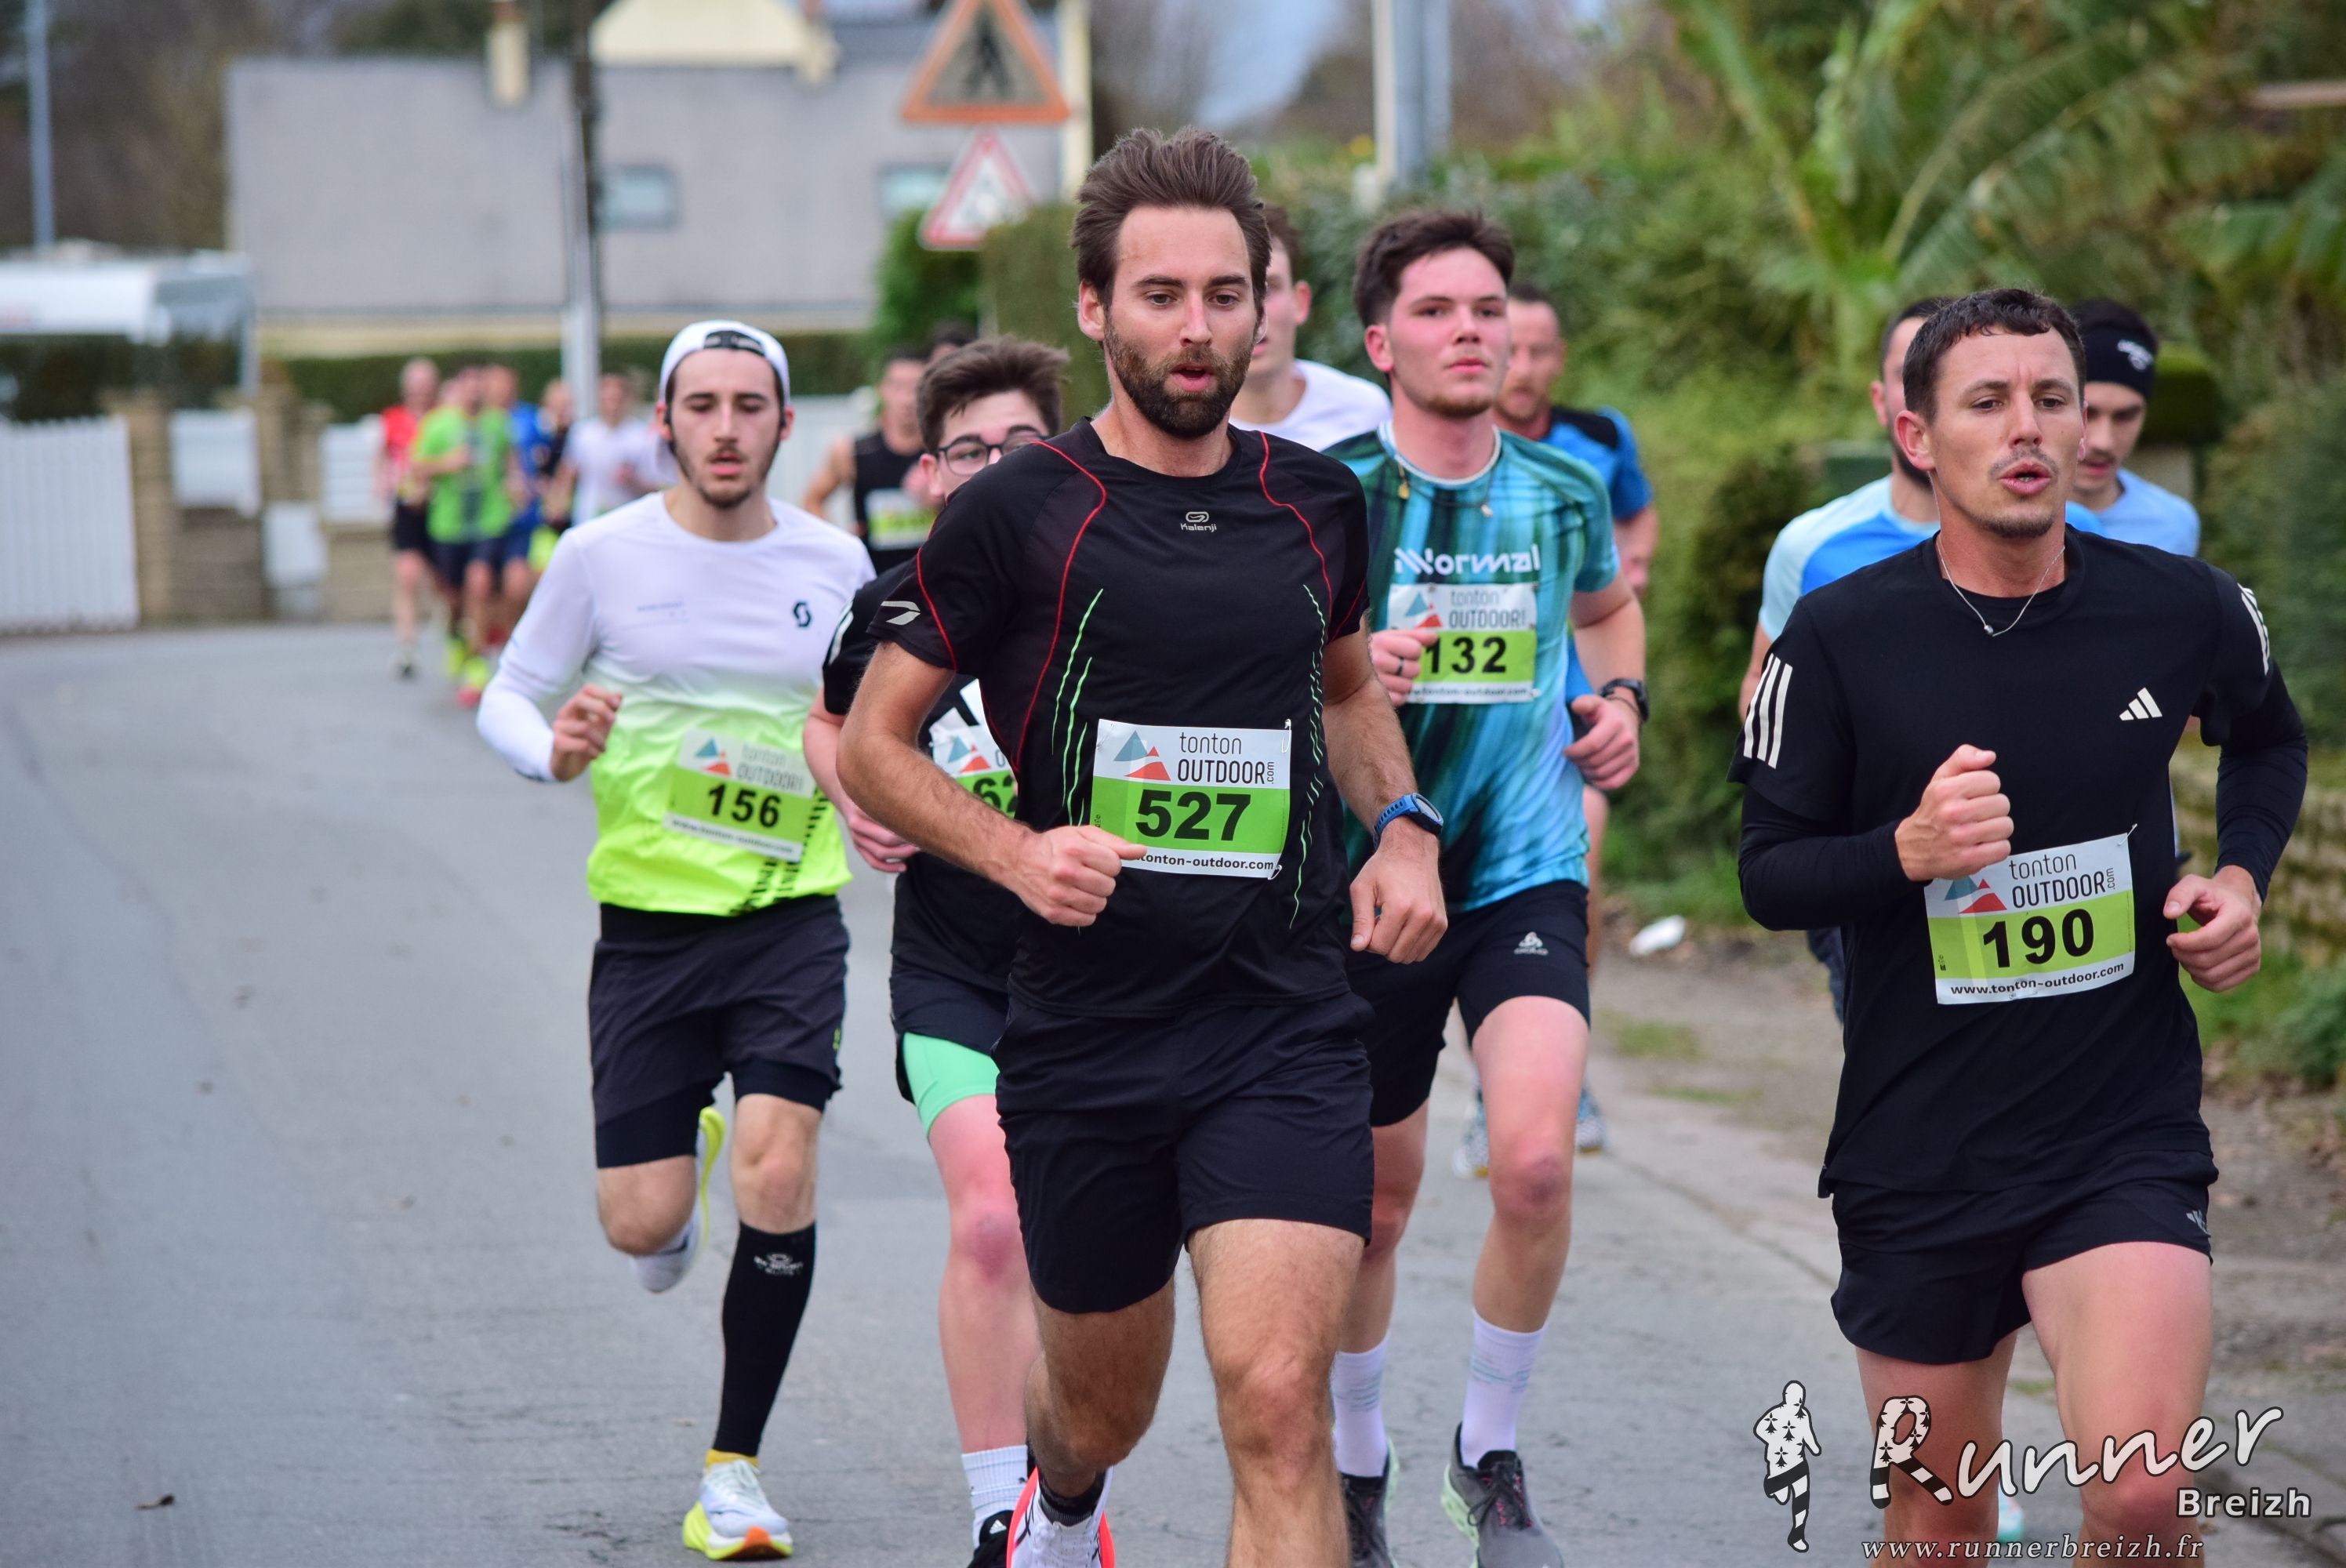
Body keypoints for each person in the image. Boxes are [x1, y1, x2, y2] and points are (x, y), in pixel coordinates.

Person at [837, 128, 1447, 1568]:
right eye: (1161, 295)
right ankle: (1056, 1503)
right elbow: (872, 743)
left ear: (1264, 306)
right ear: (1095, 307)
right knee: (1099, 1411)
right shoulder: (1017, 512)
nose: (1196, 328)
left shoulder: (1317, 500)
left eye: (1226, 295)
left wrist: (1404, 826)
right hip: (1087, 1032)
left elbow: (1345, 688)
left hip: (1280, 1020)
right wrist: (1013, 855)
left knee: (1279, 1406)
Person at [1731, 288, 2304, 1555]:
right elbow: (1767, 874)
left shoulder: (2182, 605)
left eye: (2051, 397)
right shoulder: (1837, 637)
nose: (2029, 427)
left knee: (2143, 1496)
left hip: (2119, 1129)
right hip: (1918, 1143)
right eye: (1986, 402)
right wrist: (1906, 851)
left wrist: (2242, 878)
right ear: (1915, 433)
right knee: (1940, 1523)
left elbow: (2268, 737)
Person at [477, 321, 873, 1562]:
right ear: (663, 422)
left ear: (785, 425)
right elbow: (508, 693)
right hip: (648, 934)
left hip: (790, 919)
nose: (725, 428)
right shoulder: (600, 556)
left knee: (780, 1170)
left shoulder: (837, 562)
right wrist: (553, 752)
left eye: (750, 406)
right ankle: (682, 1165)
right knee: (642, 1230)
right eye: (701, 405)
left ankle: (733, 1472)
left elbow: (875, 720)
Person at [1324, 210, 1647, 1568]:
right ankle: (1355, 1466)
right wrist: (1348, 671)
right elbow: (1260, 669)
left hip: (1522, 868)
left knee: (1532, 1162)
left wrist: (1620, 704)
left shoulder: (1564, 489)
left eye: (1488, 308)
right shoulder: (1330, 493)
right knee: (1375, 1208)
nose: (1471, 331)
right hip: (1373, 883)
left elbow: (1606, 613)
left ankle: (1488, 1453)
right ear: (1379, 341)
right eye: (1438, 310)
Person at [804, 336, 1067, 1568]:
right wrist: (852, 798)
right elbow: (829, 723)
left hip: (1103, 982)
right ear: (928, 475)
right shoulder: (891, 608)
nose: (997, 468)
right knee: (993, 1222)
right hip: (954, 974)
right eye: (970, 450)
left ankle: (1069, 1501)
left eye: (1023, 445)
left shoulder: (1115, 594)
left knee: (1082, 1251)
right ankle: (997, 1513)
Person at [1227, 204, 1391, 448]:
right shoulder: (1179, 428)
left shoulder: (1364, 412)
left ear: (1300, 302)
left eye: (1268, 289)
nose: (1254, 313)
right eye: (1228, 295)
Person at [409, 363, 522, 705]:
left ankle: (477, 666)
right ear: (458, 387)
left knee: (480, 583)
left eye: (480, 385)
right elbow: (416, 467)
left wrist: (515, 483)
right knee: (454, 599)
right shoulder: (438, 424)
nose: (475, 392)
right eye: (468, 385)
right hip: (448, 525)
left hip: (489, 521)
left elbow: (510, 461)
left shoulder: (497, 423)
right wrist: (449, 463)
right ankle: (458, 639)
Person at [2068, 299, 2200, 556]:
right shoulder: (1994, 513)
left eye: (2125, 416)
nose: (2103, 442)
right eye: (2087, 414)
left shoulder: (2173, 526)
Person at [801, 345, 939, 573]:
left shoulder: (943, 453)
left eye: (916, 388)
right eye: (898, 387)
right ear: (882, 390)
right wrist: (839, 542)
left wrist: (939, 501)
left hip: (931, 579)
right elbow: (812, 501)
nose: (907, 399)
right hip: (874, 581)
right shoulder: (852, 452)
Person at [377, 355, 438, 679]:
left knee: (443, 583)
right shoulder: (393, 419)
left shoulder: (444, 418)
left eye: (425, 385)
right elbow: (381, 457)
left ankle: (455, 638)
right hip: (406, 508)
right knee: (407, 576)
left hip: (440, 508)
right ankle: (407, 647)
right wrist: (381, 485)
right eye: (415, 385)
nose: (420, 391)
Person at [559, 370, 669, 529]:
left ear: (626, 400)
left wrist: (632, 480)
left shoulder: (641, 437)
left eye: (616, 399)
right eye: (607, 399)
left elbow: (655, 488)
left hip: (627, 522)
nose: (612, 406)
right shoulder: (583, 434)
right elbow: (567, 473)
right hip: (589, 520)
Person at [522, 375, 574, 579]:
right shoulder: (537, 434)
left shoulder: (575, 435)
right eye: (557, 405)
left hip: (568, 515)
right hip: (541, 519)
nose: (562, 411)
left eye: (566, 405)